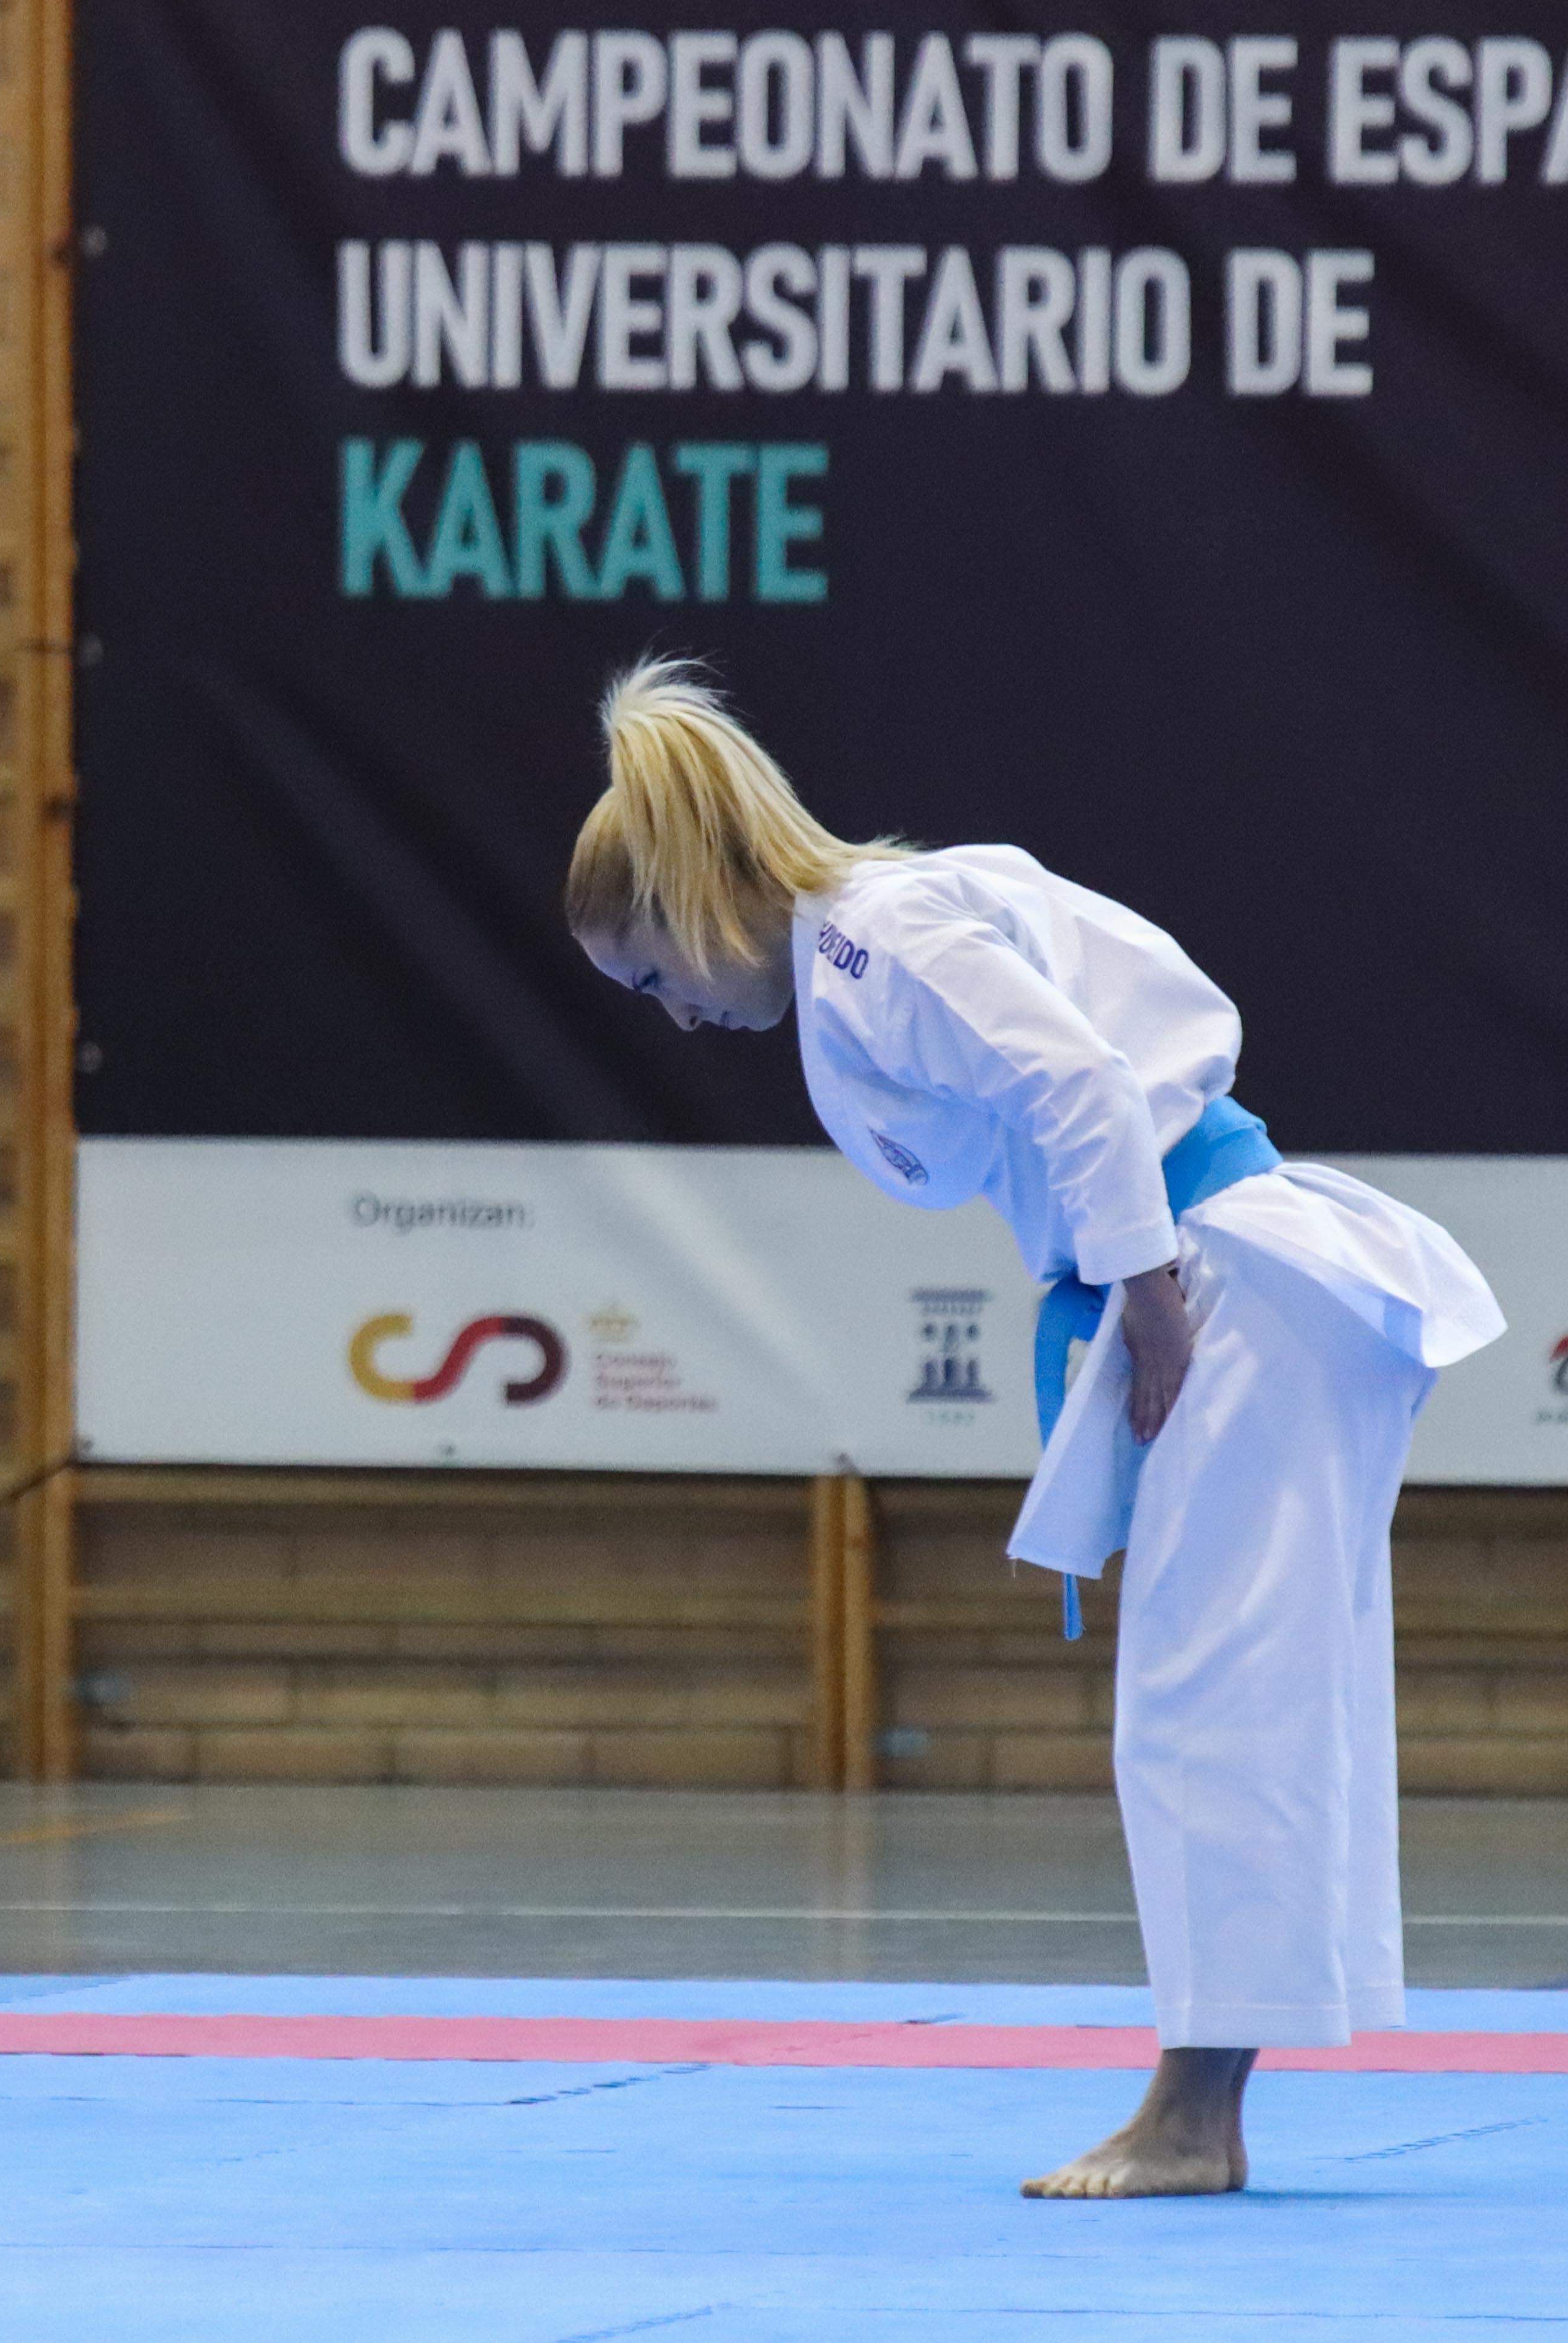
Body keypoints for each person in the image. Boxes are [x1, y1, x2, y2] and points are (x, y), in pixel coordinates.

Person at [563, 657, 1503, 2198]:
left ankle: (1194, 2116)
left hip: (1229, 1275)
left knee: (1208, 1699)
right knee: (1247, 1686)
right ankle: (1220, 2082)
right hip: (1227, 1269)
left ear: (695, 896)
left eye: (656, 973)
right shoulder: (878, 927)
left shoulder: (871, 933)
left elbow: (1080, 1087)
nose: (673, 1012)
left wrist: (1145, 1303)